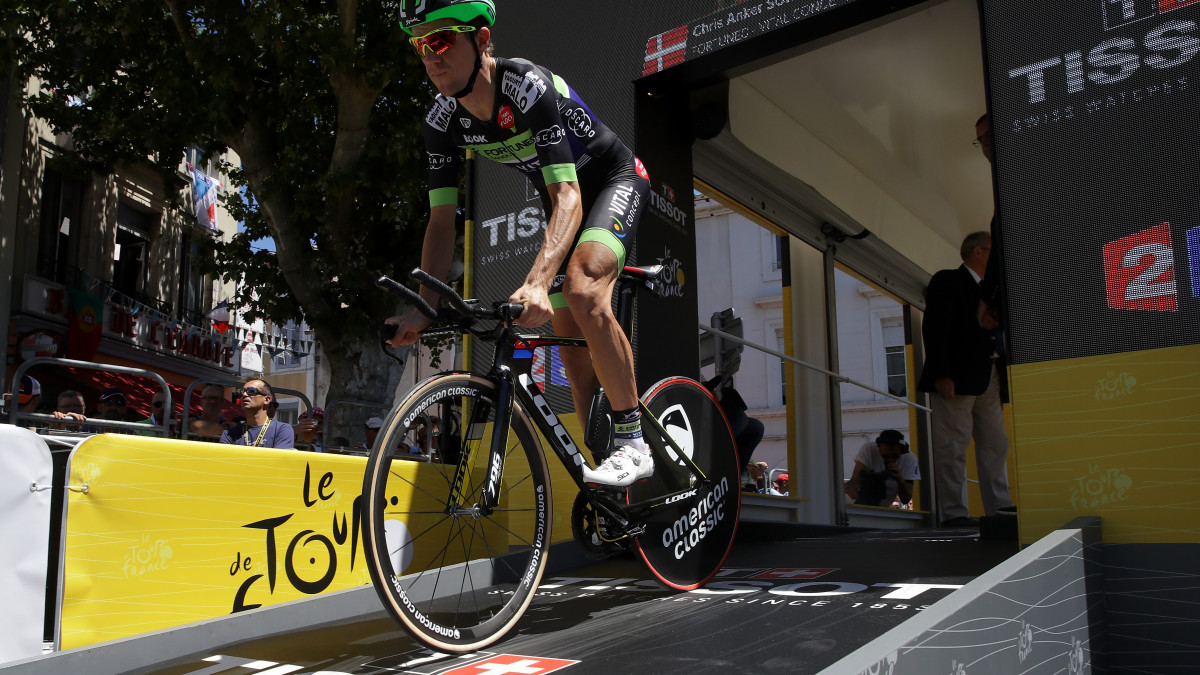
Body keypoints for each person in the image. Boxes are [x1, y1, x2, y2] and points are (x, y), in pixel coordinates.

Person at [386, 0, 653, 487]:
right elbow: (442, 222)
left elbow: (568, 194)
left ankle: (634, 440)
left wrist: (534, 282)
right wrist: (424, 308)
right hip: (563, 202)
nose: (430, 56)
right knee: (570, 348)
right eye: (421, 45)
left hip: (611, 182)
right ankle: (609, 478)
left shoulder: (526, 86)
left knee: (581, 287)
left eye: (442, 41)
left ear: (482, 40)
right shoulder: (441, 122)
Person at [919, 232, 1015, 527]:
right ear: (977, 252)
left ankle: (1000, 507)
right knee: (952, 446)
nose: (996, 259)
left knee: (995, 443)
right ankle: (954, 512)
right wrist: (942, 373)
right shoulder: (948, 280)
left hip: (990, 377)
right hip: (957, 378)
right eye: (992, 252)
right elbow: (935, 328)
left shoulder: (994, 290)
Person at [845, 430, 919, 508]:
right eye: (885, 456)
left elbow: (906, 499)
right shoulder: (869, 449)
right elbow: (854, 483)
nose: (890, 460)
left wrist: (900, 481)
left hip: (884, 507)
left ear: (902, 451)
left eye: (895, 456)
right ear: (878, 448)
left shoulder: (910, 459)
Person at [219, 379, 294, 449]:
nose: (244, 394)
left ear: (267, 400)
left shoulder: (282, 430)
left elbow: (277, 461)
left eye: (251, 391)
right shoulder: (229, 433)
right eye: (243, 391)